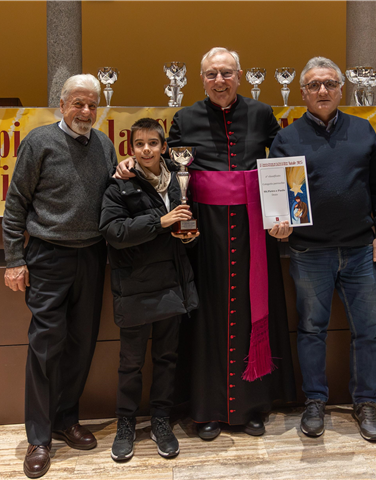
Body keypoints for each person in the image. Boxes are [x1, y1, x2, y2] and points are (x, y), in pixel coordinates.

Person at [115, 47, 296, 440]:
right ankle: (207, 408)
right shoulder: (186, 118)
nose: (219, 80)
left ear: (239, 76)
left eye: (226, 73)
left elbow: (283, 163)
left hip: (252, 229)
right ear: (202, 79)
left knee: (251, 309)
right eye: (212, 74)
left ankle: (253, 406)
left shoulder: (262, 113)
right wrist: (132, 164)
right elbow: (168, 167)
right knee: (206, 314)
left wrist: (285, 216)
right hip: (203, 231)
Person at [268, 57, 376, 442]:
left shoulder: (362, 130)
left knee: (368, 331)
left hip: (360, 251)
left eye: (329, 84)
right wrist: (279, 224)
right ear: (303, 93)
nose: (322, 90)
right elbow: (277, 197)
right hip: (309, 253)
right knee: (311, 330)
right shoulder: (287, 138)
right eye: (314, 85)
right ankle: (315, 401)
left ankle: (365, 402)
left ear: (341, 89)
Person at [2, 74, 117, 479]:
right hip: (48, 257)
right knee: (46, 346)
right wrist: (14, 259)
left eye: (92, 105)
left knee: (81, 344)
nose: (85, 112)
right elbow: (16, 202)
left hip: (92, 256)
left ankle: (66, 419)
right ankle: (38, 436)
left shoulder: (104, 145)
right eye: (78, 104)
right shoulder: (39, 142)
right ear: (63, 104)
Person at [100, 118, 198, 461]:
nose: (146, 150)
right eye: (139, 144)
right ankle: (125, 424)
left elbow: (187, 220)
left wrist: (189, 235)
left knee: (166, 359)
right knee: (130, 363)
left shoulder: (180, 180)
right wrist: (160, 221)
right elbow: (114, 232)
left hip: (172, 282)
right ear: (131, 149)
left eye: (153, 143)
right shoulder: (120, 184)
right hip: (135, 286)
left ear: (164, 147)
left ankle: (160, 421)